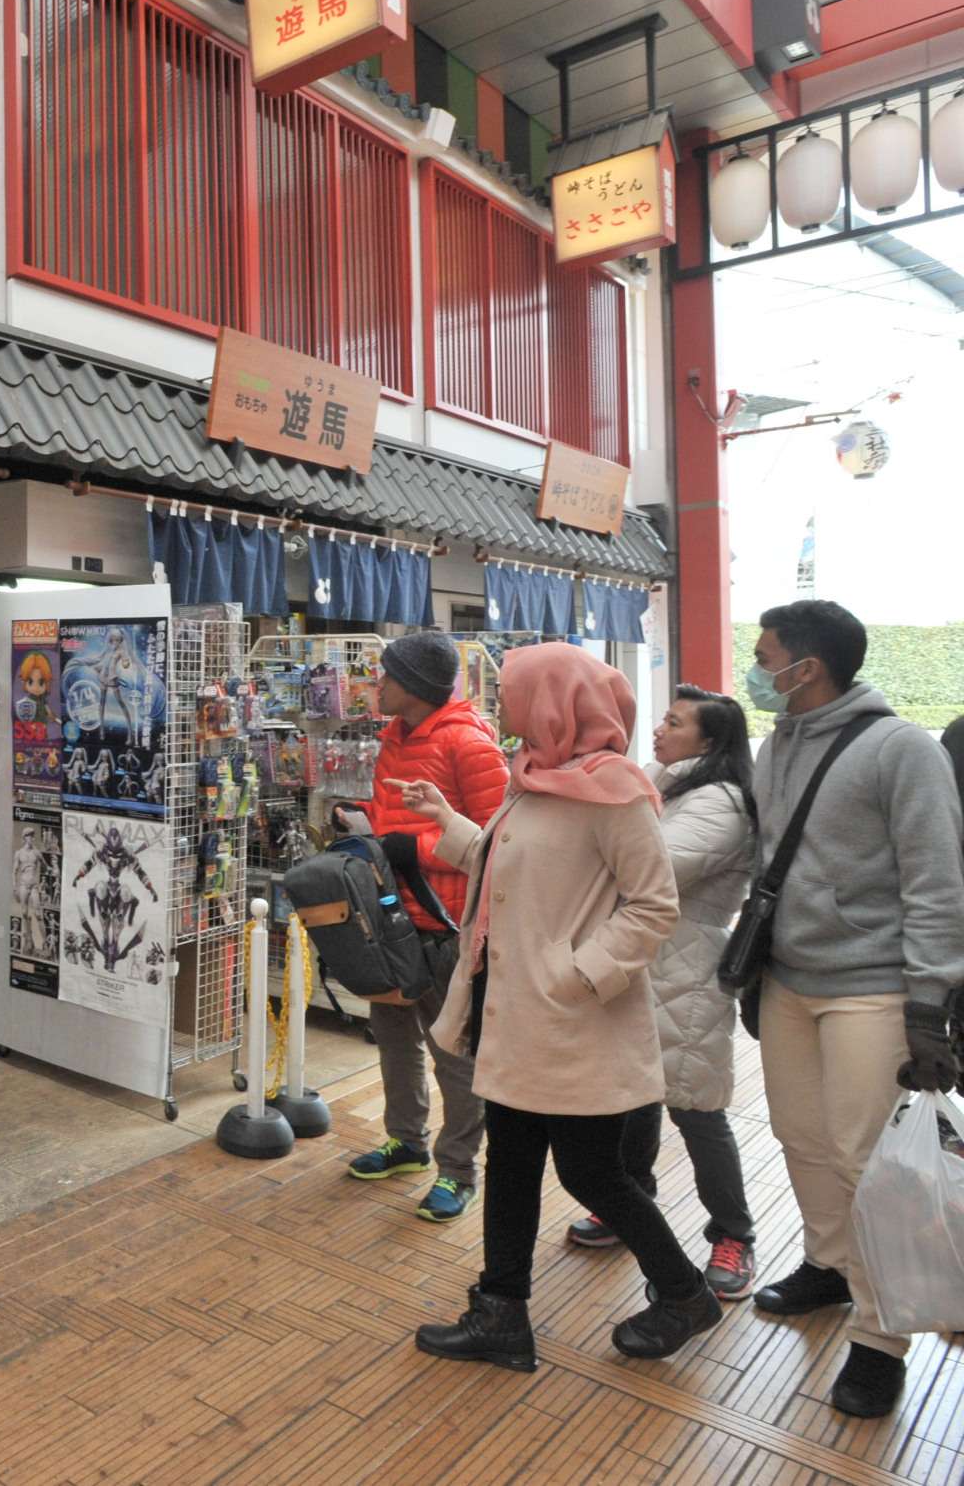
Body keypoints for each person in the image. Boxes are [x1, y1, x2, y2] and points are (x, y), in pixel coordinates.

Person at [408, 643, 720, 1373]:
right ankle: (501, 1312)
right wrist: (447, 818)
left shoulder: (613, 790)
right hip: (514, 1015)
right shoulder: (533, 778)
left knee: (592, 1172)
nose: (503, 705)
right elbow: (505, 868)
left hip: (569, 1020)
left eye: (515, 691)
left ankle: (684, 1294)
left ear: (553, 700)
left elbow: (653, 905)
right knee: (513, 1162)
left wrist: (578, 975)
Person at [743, 601, 964, 1417]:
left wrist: (928, 1003)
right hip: (788, 981)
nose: (756, 669)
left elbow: (937, 881)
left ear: (807, 667)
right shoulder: (776, 744)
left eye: (765, 656)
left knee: (863, 1159)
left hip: (871, 986)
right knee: (800, 1137)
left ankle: (880, 1337)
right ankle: (829, 1266)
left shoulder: (902, 749)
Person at [565, 686, 759, 1300]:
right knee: (634, 1095)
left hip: (687, 970)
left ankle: (734, 1234)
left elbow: (650, 867)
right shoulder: (666, 784)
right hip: (645, 959)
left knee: (696, 1108)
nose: (658, 729)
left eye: (674, 723)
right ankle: (631, 1206)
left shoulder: (721, 800)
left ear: (709, 741)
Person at [336, 632, 508, 1223]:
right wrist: (365, 822)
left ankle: (458, 1171)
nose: (376, 684)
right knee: (392, 1038)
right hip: (390, 919)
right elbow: (399, 818)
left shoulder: (469, 742)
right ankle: (405, 1142)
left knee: (453, 1055)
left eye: (385, 674)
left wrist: (412, 848)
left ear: (413, 683)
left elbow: (497, 843)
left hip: (446, 926)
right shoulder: (394, 736)